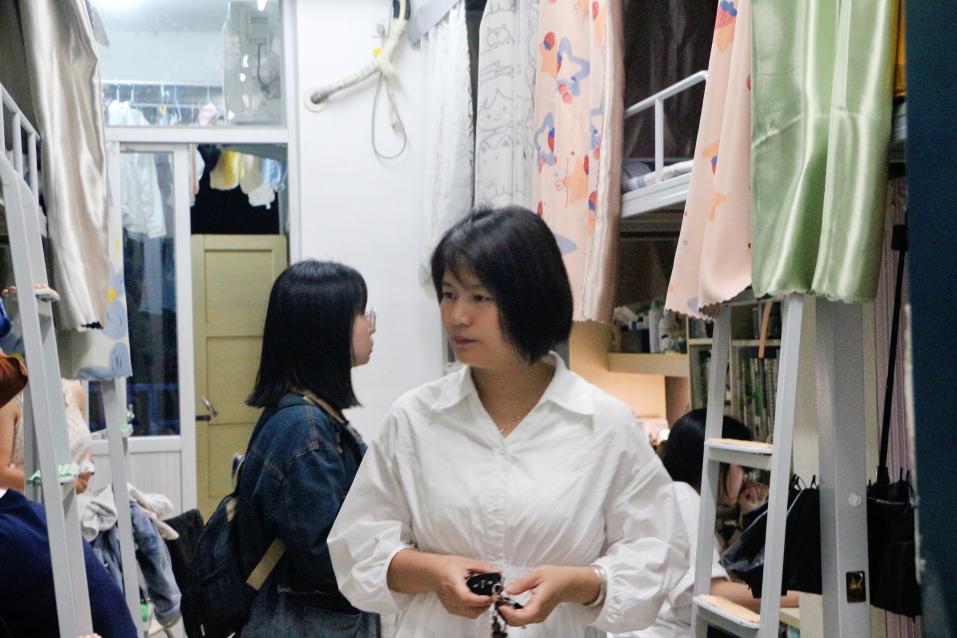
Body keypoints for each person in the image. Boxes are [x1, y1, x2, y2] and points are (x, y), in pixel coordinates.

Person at [329, 207, 689, 637]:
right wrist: (434, 573)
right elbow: (356, 545)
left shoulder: (604, 424)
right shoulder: (415, 419)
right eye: (448, 294)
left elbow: (657, 554)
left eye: (479, 297)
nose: (457, 316)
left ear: (531, 298)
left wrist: (579, 583)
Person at [233, 260, 378, 637]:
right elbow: (325, 556)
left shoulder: (302, 415)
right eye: (361, 313)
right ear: (328, 328)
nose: (371, 325)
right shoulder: (305, 430)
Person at [617, 409, 798, 637]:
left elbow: (718, 566)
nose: (744, 477)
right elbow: (713, 592)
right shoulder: (685, 500)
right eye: (741, 467)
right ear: (718, 463)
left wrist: (747, 515)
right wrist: (800, 598)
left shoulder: (673, 496)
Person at [0, 378, 94, 494]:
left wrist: (85, 467)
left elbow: (82, 442)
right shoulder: (8, 399)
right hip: (28, 500)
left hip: (76, 499)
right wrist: (63, 482)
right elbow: (1, 474)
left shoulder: (75, 390)